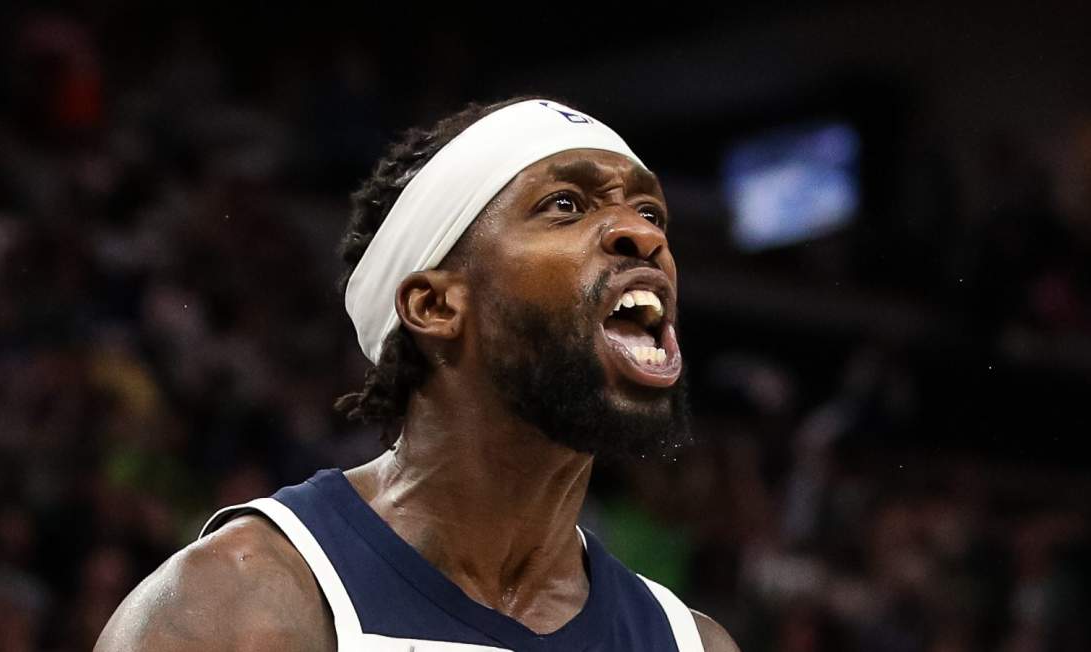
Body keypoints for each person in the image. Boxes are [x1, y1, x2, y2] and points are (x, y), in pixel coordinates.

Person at [95, 96, 740, 651]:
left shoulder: (690, 642)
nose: (641, 235)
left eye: (650, 213)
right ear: (435, 306)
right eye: (566, 205)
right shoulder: (236, 606)